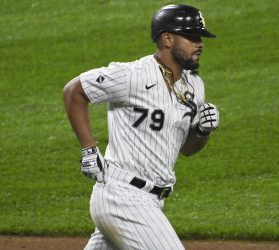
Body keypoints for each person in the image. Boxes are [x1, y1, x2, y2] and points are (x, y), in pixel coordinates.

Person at [63, 4, 219, 250]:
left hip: (151, 200)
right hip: (122, 196)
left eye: (199, 37)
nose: (199, 43)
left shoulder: (194, 87)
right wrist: (89, 150)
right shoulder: (131, 76)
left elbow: (187, 150)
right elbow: (74, 91)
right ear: (167, 39)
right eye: (190, 36)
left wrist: (202, 131)